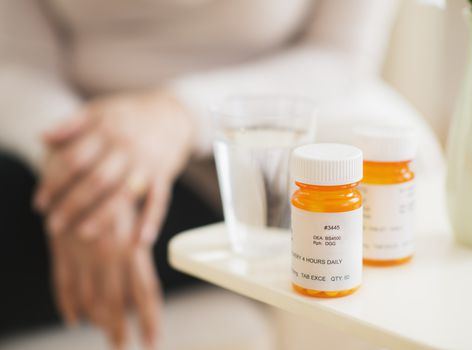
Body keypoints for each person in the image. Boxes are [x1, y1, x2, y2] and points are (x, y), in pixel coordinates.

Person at [0, 0, 402, 348]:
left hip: (231, 161)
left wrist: (178, 113)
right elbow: (17, 60)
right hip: (67, 129)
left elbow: (339, 57)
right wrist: (86, 174)